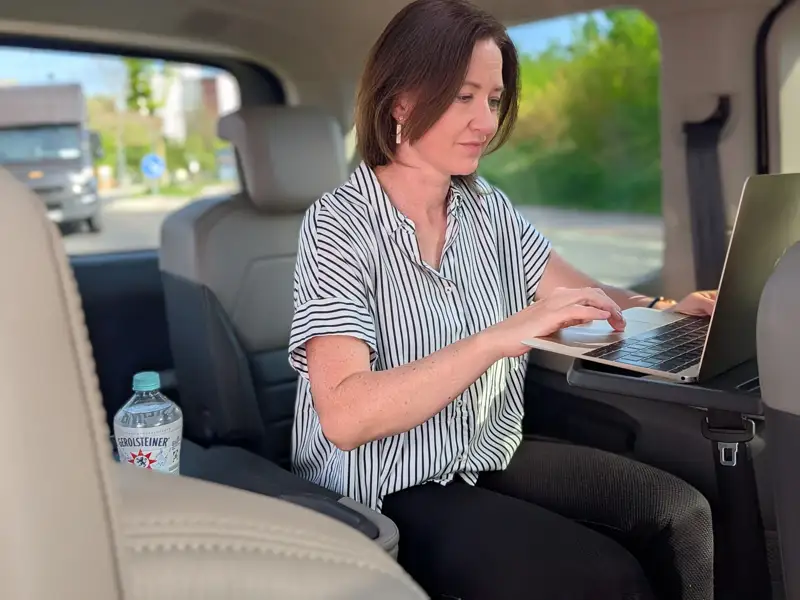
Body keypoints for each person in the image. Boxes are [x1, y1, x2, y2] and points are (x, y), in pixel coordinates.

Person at [287, 0, 715, 598]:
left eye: (492, 99)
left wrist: (668, 309)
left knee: (681, 514)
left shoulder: (488, 206)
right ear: (402, 102)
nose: (486, 122)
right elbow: (346, 417)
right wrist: (500, 337)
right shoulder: (339, 223)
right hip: (387, 483)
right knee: (600, 577)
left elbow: (577, 294)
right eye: (464, 96)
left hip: (488, 448)